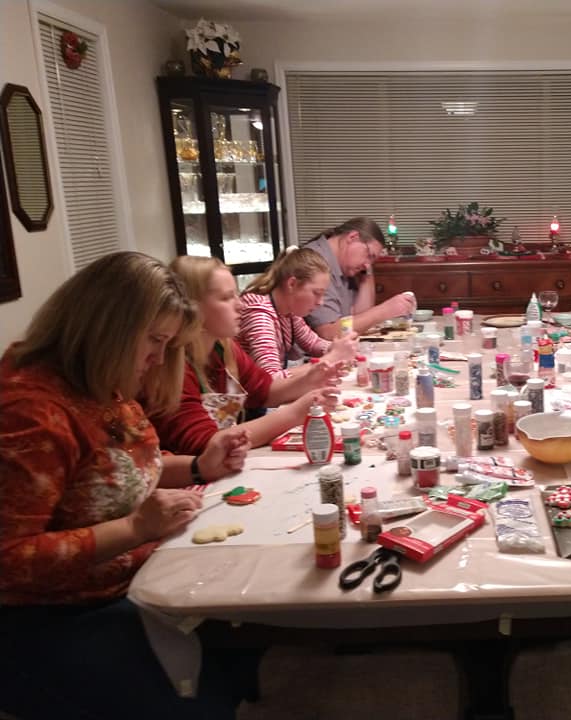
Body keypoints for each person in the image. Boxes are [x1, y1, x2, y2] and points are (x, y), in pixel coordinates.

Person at [0, 252, 252, 719]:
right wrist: (136, 527)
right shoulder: (31, 412)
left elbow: (119, 472)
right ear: (107, 327)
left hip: (131, 581)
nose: (157, 359)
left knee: (240, 645)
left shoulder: (98, 382)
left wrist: (200, 467)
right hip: (47, 616)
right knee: (201, 700)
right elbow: (9, 560)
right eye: (154, 340)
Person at [154, 256, 341, 456]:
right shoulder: (171, 366)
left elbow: (264, 391)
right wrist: (295, 413)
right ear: (193, 307)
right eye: (226, 298)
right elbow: (208, 445)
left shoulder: (224, 347)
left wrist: (308, 380)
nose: (240, 306)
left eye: (236, 294)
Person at [238, 246, 358, 378]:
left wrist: (338, 349)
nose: (321, 302)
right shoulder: (259, 313)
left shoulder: (288, 311)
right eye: (317, 293)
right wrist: (331, 357)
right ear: (292, 284)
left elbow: (312, 343)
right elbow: (271, 378)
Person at [301, 217, 417, 339]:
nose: (367, 265)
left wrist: (367, 273)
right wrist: (385, 310)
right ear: (353, 237)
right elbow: (329, 332)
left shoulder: (345, 264)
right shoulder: (315, 262)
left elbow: (360, 319)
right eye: (369, 255)